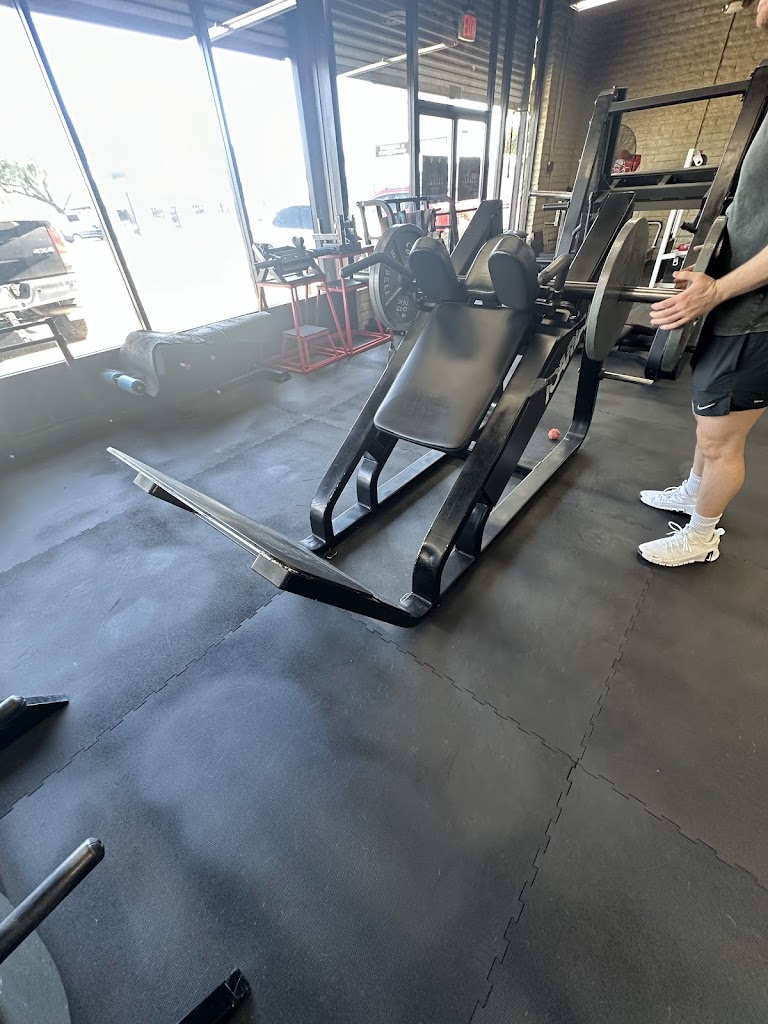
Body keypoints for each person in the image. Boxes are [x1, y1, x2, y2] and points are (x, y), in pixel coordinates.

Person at [637, 0, 768, 566]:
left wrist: (717, 290)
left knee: (721, 438)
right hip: (737, 300)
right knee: (707, 422)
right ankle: (695, 493)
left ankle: (701, 537)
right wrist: (714, 272)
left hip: (757, 317)